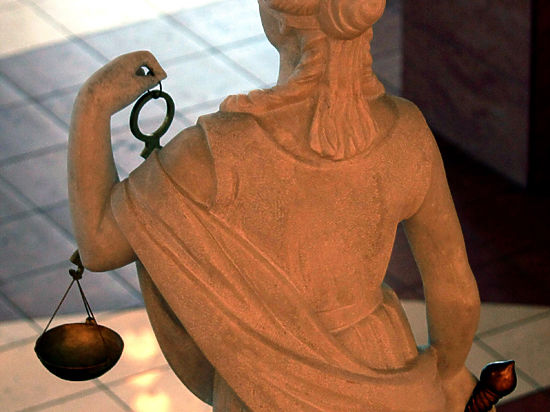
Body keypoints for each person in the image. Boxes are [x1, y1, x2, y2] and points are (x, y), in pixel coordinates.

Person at [68, 0, 480, 410]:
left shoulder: (216, 152)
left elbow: (101, 245)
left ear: (280, 22)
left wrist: (93, 103)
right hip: (386, 367)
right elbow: (455, 290)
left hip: (264, 386)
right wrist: (445, 374)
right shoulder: (406, 130)